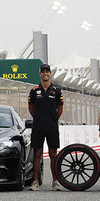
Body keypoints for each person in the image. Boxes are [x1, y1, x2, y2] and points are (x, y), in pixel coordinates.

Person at [28, 63, 64, 191]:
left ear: (50, 74)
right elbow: (31, 109)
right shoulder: (34, 90)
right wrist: (39, 118)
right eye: (43, 72)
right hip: (38, 126)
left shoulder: (57, 90)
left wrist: (53, 119)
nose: (45, 74)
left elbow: (60, 109)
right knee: (37, 154)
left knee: (53, 154)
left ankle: (55, 182)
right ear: (40, 74)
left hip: (52, 127)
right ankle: (35, 182)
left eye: (47, 72)